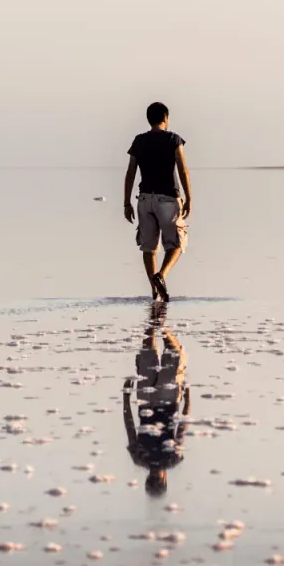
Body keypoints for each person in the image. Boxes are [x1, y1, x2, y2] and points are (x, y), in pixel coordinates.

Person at [125, 101, 192, 303]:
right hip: (168, 199)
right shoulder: (173, 139)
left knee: (149, 248)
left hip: (144, 199)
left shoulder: (139, 141)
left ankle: (154, 293)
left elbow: (130, 173)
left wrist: (126, 203)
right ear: (165, 118)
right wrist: (189, 197)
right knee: (177, 244)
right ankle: (161, 276)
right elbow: (183, 170)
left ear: (149, 119)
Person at [123, 306, 190, 496]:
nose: (155, 477)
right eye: (156, 481)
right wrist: (126, 397)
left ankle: (159, 323)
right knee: (162, 353)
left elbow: (130, 426)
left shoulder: (157, 459)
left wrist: (126, 396)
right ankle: (160, 325)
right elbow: (182, 426)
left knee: (153, 352)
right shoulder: (165, 459)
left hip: (155, 400)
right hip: (157, 400)